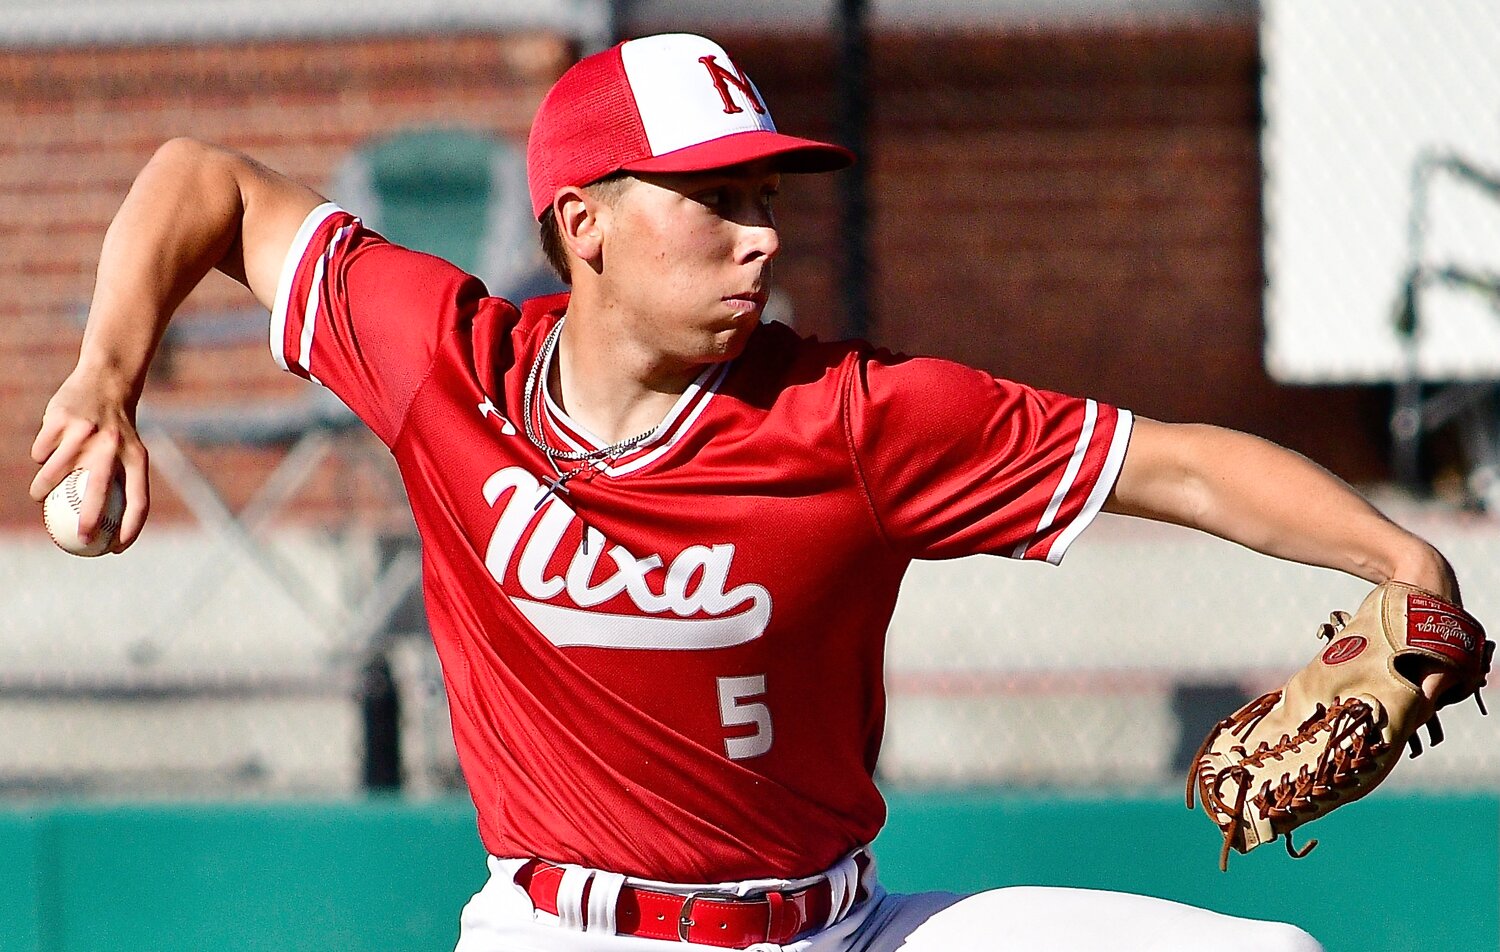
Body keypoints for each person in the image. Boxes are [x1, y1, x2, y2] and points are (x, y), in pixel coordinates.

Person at [31, 32, 1467, 952]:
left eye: (769, 197)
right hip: (566, 937)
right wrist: (104, 378)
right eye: (712, 199)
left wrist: (1407, 558)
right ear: (581, 225)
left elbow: (1180, 460)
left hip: (846, 929)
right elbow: (198, 182)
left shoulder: (854, 419)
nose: (758, 237)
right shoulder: (442, 362)